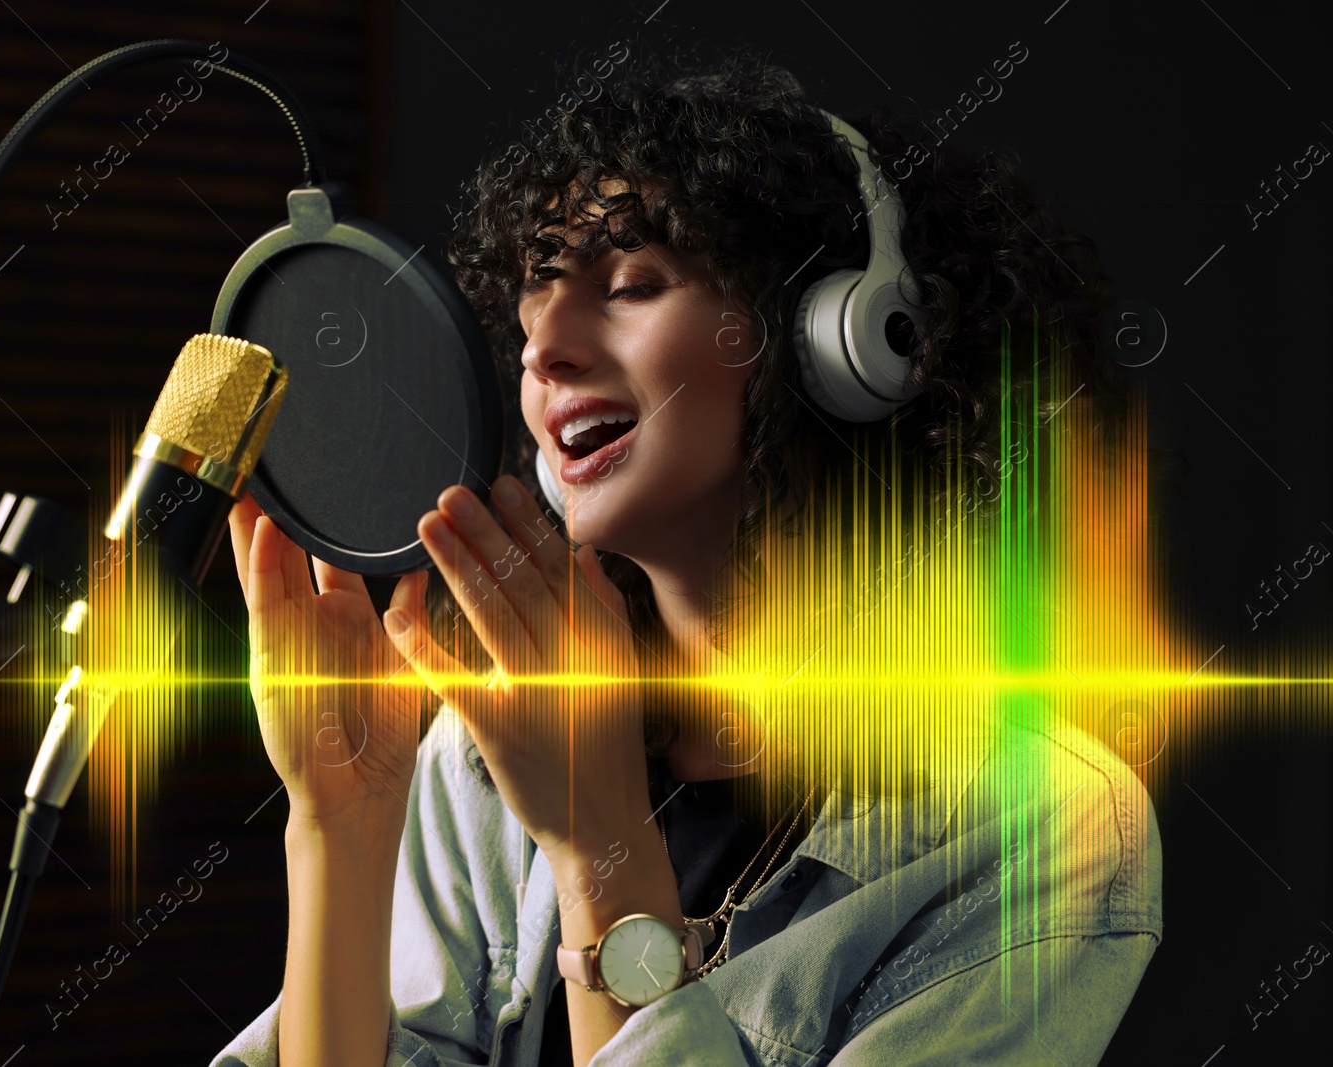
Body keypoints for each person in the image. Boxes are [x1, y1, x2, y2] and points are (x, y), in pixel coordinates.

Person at [212, 43, 1160, 1067]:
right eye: (535, 294)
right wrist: (338, 823)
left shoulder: (1046, 832)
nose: (543, 345)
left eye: (630, 284)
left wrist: (597, 844)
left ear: (836, 347)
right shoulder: (475, 746)